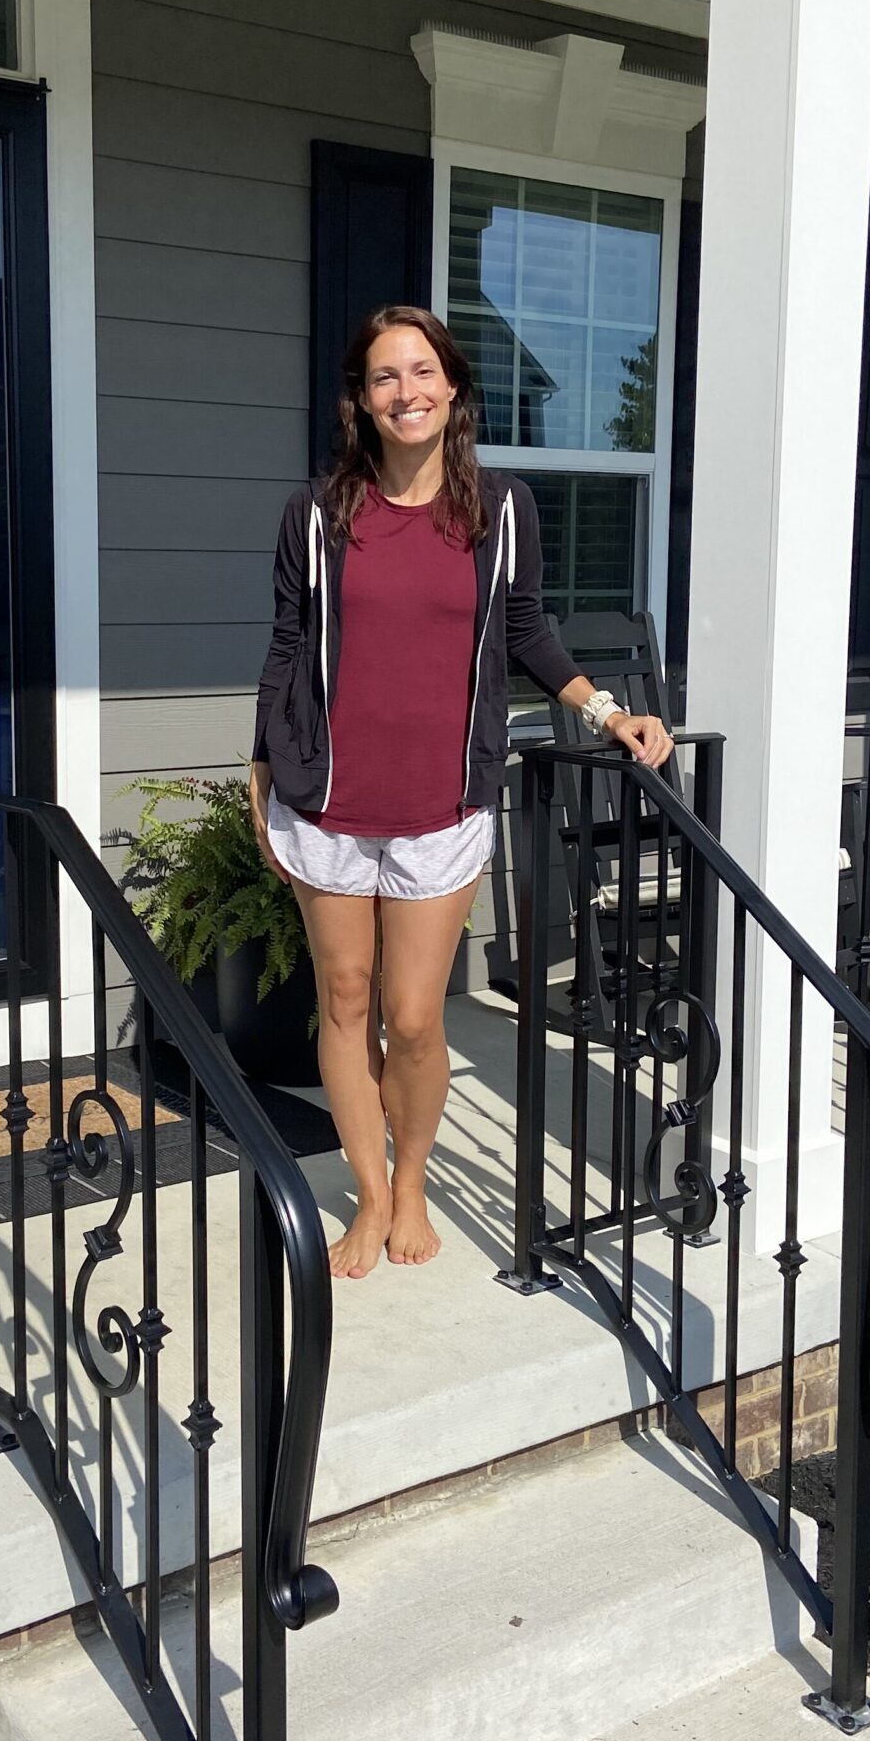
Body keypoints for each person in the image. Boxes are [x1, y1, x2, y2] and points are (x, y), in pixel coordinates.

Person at [250, 304, 675, 1280]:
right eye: (384, 377)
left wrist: (608, 711)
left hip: (442, 800)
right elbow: (285, 644)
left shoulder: (501, 511)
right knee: (345, 1000)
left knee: (415, 1014)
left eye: (422, 372)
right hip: (325, 797)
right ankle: (368, 1194)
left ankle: (414, 1183)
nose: (406, 392)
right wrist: (262, 766)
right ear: (360, 398)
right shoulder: (316, 515)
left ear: (451, 388)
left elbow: (528, 631)